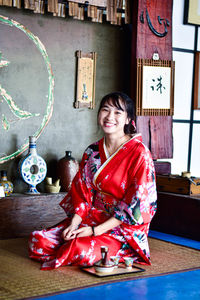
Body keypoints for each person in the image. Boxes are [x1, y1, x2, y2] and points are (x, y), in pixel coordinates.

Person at [28, 92, 157, 270]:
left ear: (128, 119)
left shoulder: (140, 154)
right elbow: (82, 192)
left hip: (121, 228)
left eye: (118, 113)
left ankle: (124, 252)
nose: (110, 117)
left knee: (77, 248)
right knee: (39, 240)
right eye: (105, 110)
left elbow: (136, 206)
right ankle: (76, 245)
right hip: (91, 218)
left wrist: (95, 231)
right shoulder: (93, 151)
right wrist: (74, 224)